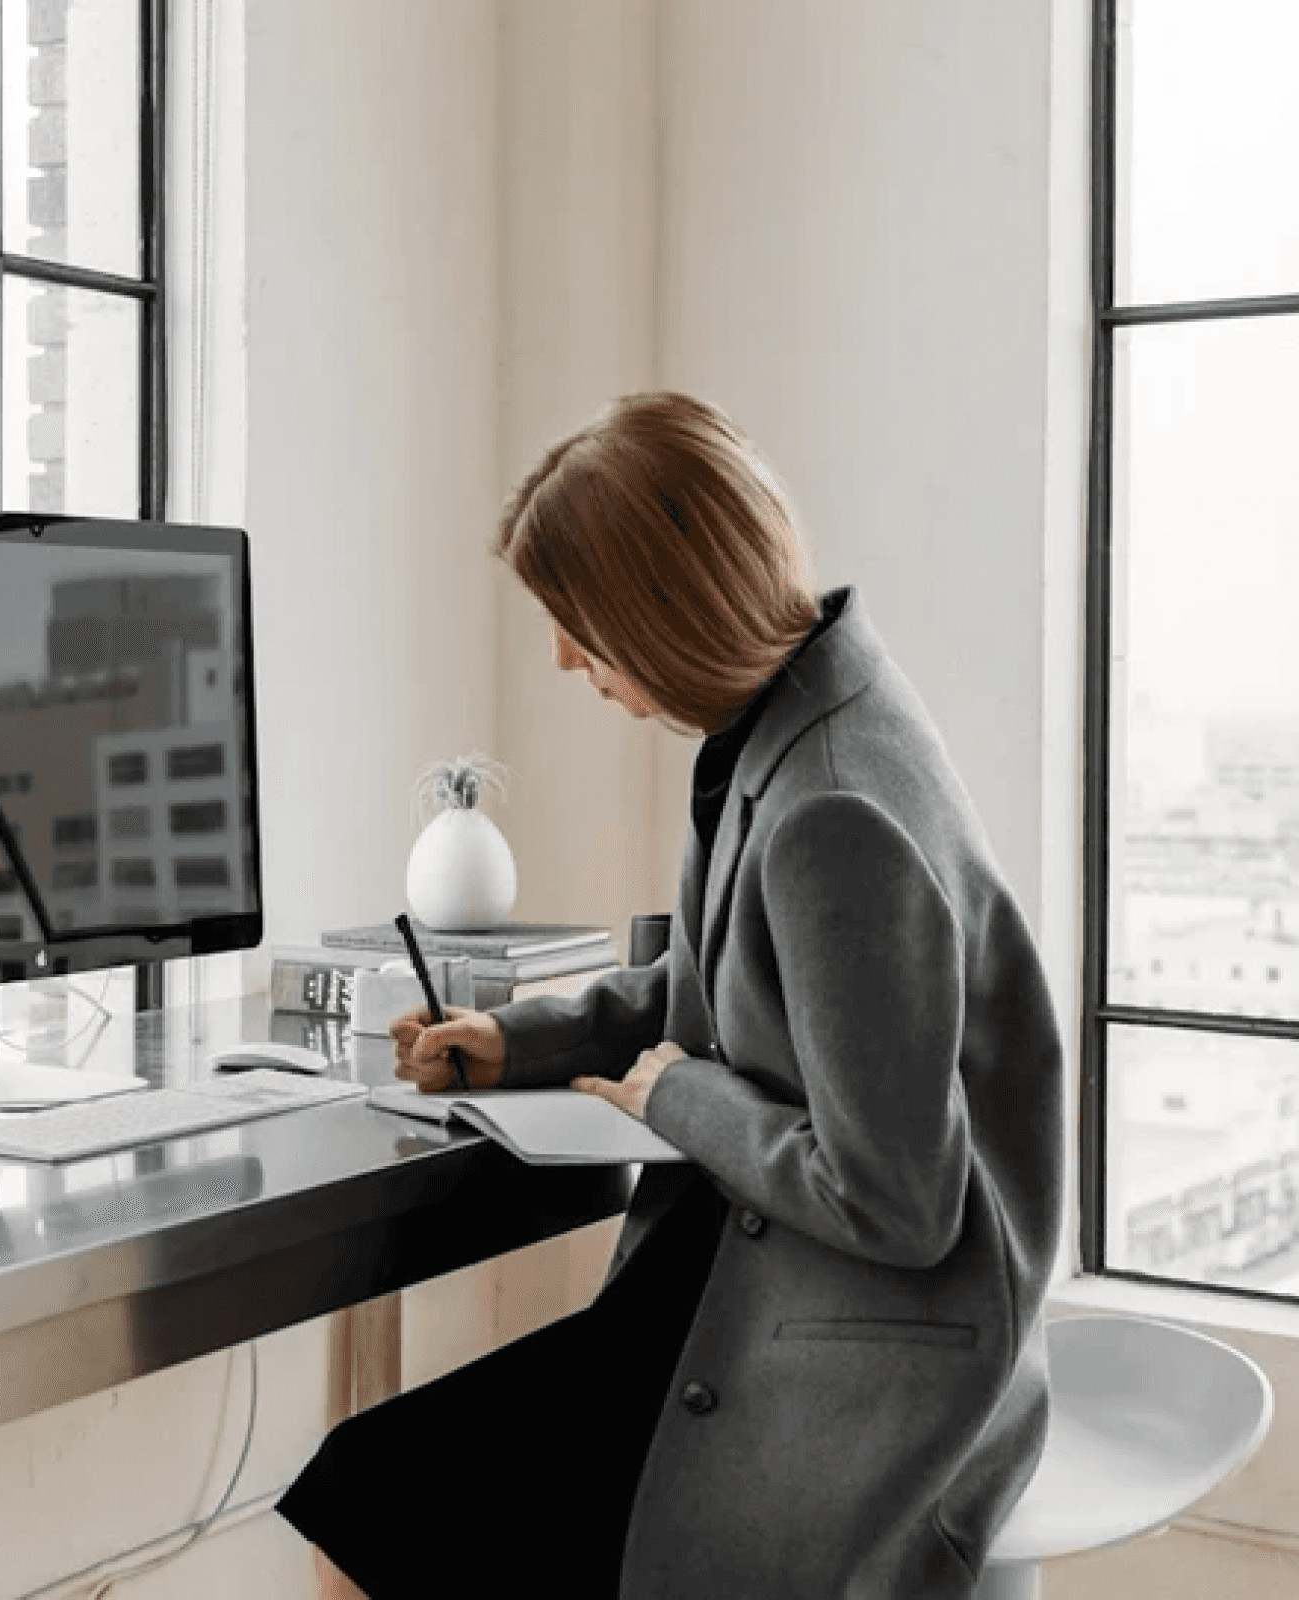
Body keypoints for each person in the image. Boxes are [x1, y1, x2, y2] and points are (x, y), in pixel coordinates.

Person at [276, 392, 1065, 1598]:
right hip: (758, 1281)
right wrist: (511, 1038)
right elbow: (722, 980)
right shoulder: (800, 714)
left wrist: (681, 1098)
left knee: (368, 1494)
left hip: (855, 1346)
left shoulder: (831, 811)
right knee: (379, 1486)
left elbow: (898, 1204)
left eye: (574, 623)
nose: (559, 658)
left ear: (657, 605)